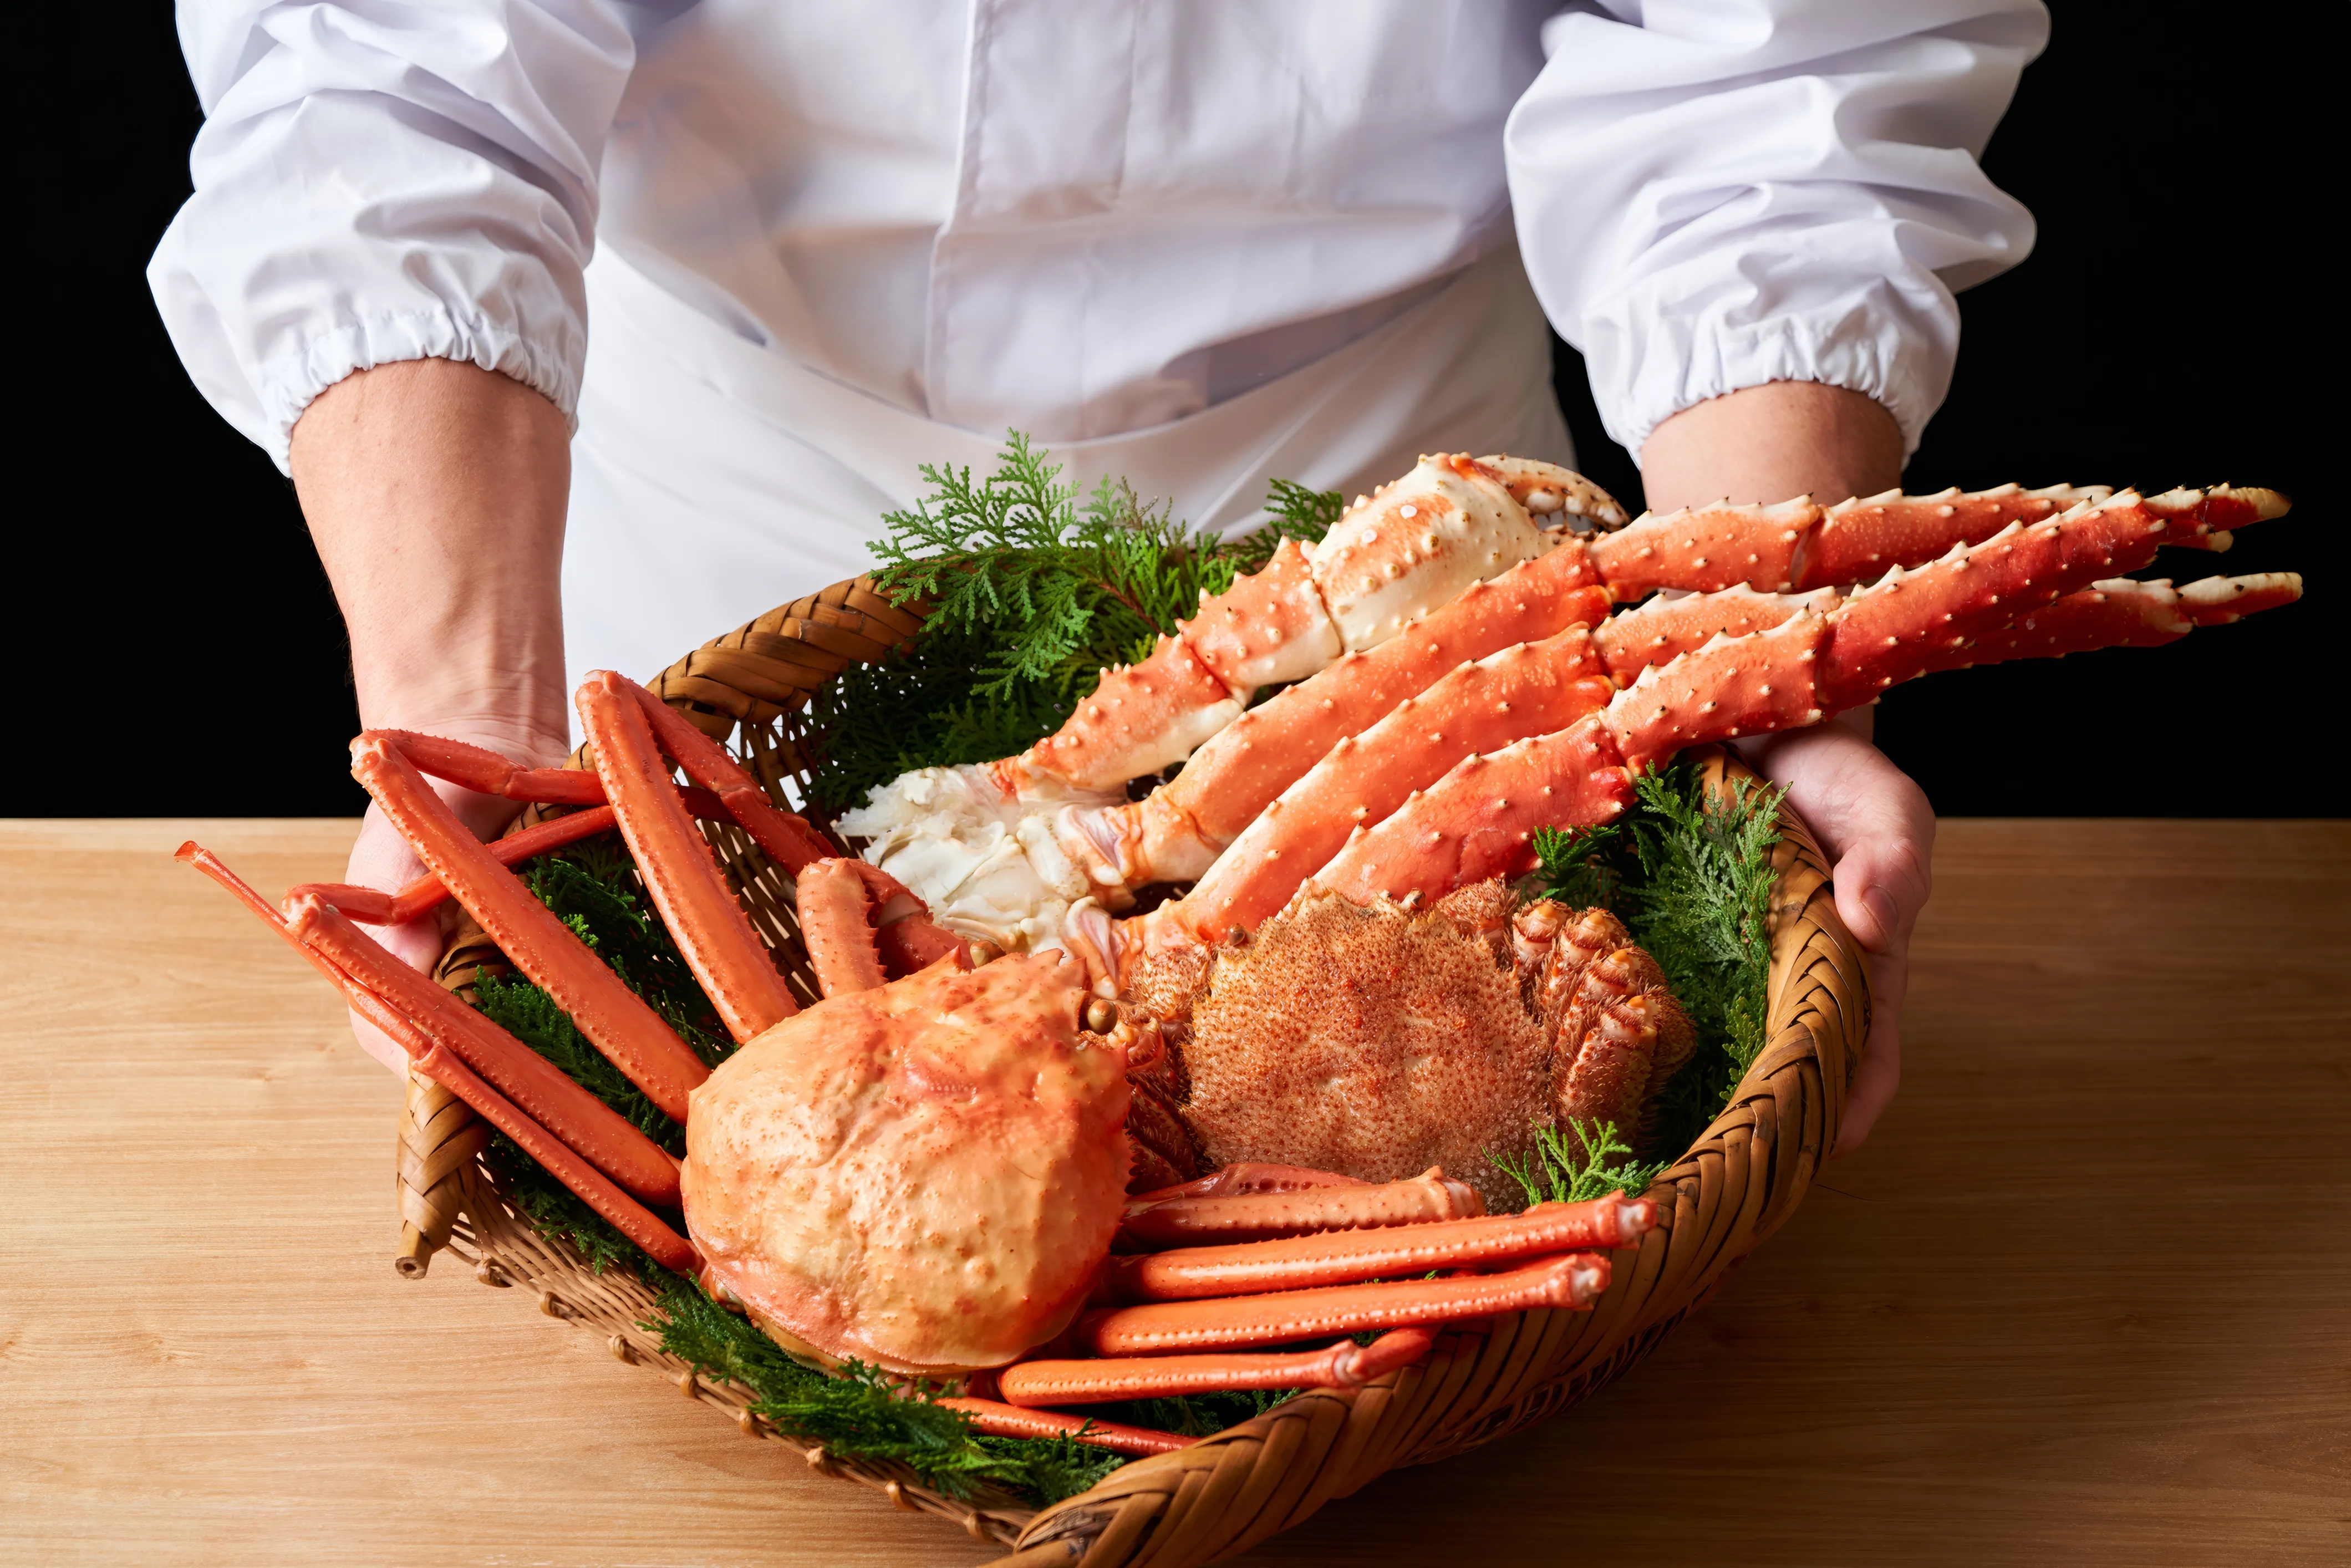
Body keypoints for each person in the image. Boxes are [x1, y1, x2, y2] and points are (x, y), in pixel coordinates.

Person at [154, 2, 2045, 1152]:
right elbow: (385, 54)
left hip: (1401, 599)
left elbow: (1779, 76)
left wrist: (1757, 663)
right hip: (673, 536)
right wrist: (458, 747)